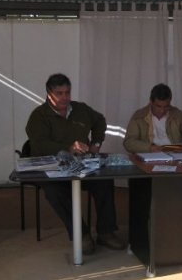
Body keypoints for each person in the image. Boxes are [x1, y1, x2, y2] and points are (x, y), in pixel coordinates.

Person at [26, 73, 124, 254]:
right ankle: (81, 234)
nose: (65, 97)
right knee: (54, 191)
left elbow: (99, 120)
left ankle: (106, 232)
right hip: (53, 167)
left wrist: (95, 144)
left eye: (67, 92)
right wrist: (68, 148)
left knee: (104, 181)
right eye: (59, 93)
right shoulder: (39, 116)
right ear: (49, 93)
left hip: (83, 164)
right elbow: (39, 144)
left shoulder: (81, 109)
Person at [123, 83, 182, 153]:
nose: (162, 110)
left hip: (176, 157)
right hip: (149, 155)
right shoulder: (139, 116)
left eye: (166, 106)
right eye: (158, 106)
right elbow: (129, 142)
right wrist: (149, 148)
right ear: (151, 102)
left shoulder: (179, 115)